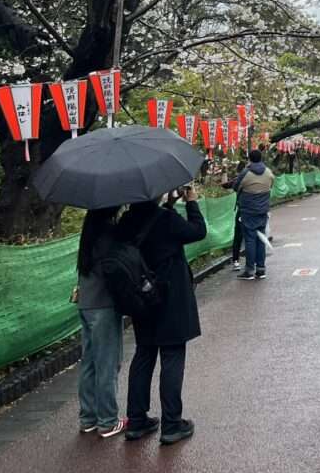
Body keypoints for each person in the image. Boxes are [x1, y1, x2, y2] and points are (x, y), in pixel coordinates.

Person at [119, 186, 207, 446]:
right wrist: (191, 202)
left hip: (142, 297)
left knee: (144, 354)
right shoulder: (166, 220)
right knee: (172, 355)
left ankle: (136, 420)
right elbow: (197, 231)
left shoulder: (126, 222)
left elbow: (150, 237)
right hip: (171, 297)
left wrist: (168, 206)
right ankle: (171, 424)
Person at [75, 207, 125, 437]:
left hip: (85, 301)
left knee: (89, 362)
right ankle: (108, 420)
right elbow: (114, 269)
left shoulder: (88, 234)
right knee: (107, 362)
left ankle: (88, 418)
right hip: (103, 304)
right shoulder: (108, 235)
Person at [228, 149, 275, 279]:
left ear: (249, 159)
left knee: (250, 240)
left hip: (248, 211)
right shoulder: (268, 172)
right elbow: (271, 184)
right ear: (261, 158)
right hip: (263, 210)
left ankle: (249, 270)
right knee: (261, 239)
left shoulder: (246, 172)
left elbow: (235, 187)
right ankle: (261, 269)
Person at [222, 160, 248, 271]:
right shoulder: (260, 176)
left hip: (242, 210)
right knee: (252, 236)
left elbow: (226, 185)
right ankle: (255, 262)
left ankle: (236, 261)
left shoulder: (239, 179)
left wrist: (224, 173)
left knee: (238, 236)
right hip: (255, 211)